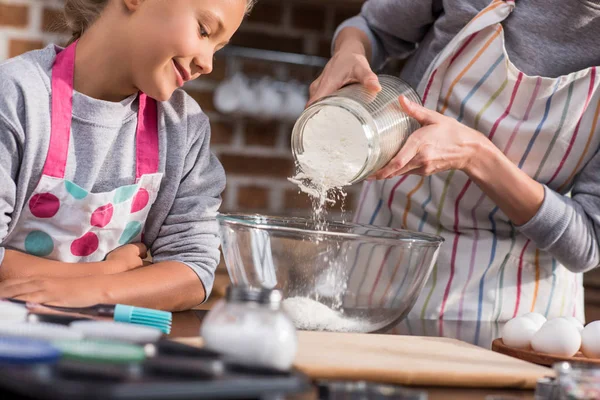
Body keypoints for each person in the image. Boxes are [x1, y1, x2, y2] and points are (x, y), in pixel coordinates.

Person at [310, 0, 600, 337]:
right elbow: (372, 28)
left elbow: (588, 243)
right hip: (384, 258)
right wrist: (350, 51)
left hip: (510, 317)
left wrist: (476, 155)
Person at [0, 0, 255, 310]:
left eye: (217, 48)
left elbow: (192, 272)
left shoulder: (184, 127)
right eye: (204, 31)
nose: (208, 63)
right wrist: (108, 271)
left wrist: (94, 291)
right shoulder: (15, 97)